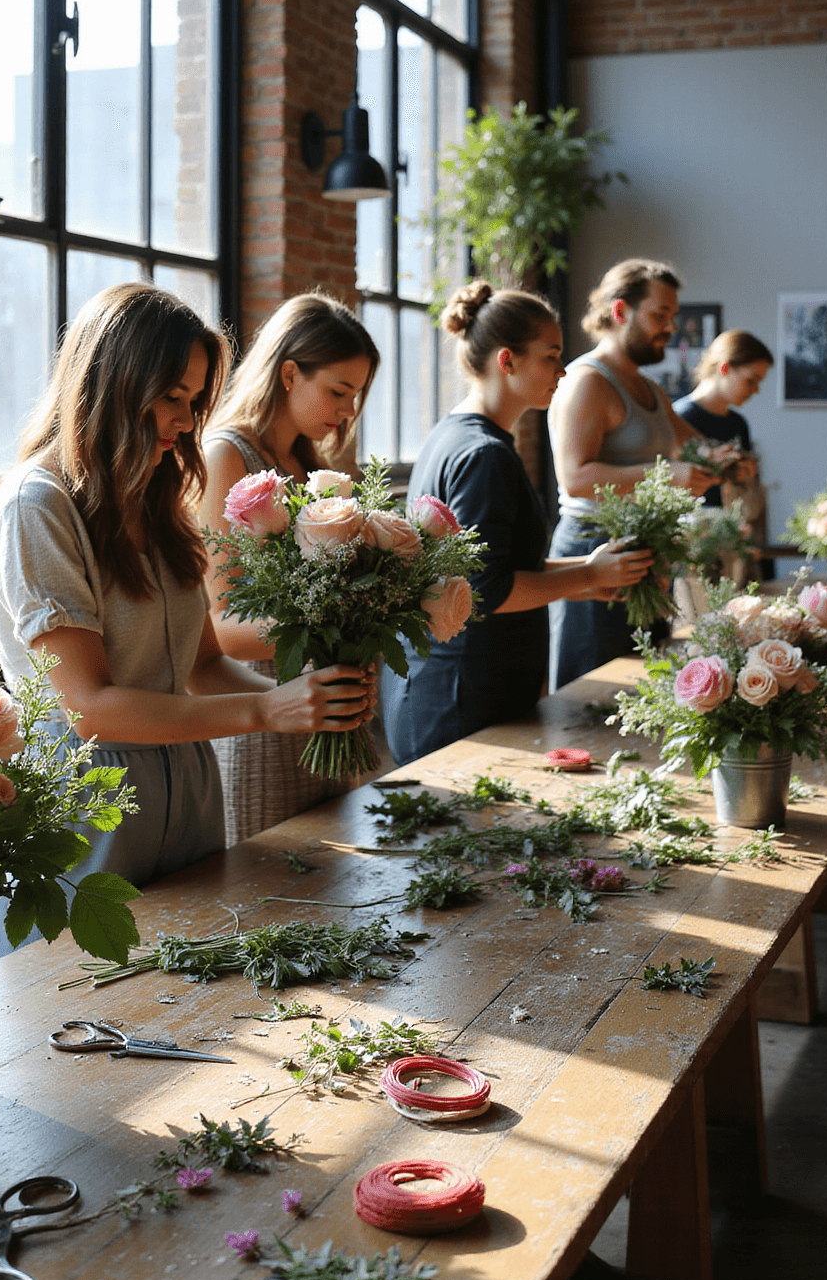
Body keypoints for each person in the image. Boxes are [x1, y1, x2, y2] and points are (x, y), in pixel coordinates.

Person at [0, 283, 373, 952]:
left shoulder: (154, 495)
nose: (186, 422)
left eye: (195, 399)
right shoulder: (36, 506)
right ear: (114, 381)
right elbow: (88, 708)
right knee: (80, 1017)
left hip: (191, 804)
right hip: (88, 818)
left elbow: (203, 664)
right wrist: (270, 713)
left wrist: (304, 704)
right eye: (172, 397)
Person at [380, 282, 654, 768]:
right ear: (507, 361)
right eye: (551, 357)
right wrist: (588, 576)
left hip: (451, 690)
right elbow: (485, 589)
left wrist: (587, 574)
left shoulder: (453, 434)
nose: (563, 371)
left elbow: (494, 566)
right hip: (459, 700)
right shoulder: (484, 455)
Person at [200, 292, 380, 844]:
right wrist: (325, 631)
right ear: (288, 374)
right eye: (338, 392)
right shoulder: (224, 455)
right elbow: (218, 626)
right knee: (271, 902)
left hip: (326, 707)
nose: (348, 412)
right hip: (261, 713)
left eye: (357, 397)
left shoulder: (313, 467)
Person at [548, 258, 719, 690]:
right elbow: (575, 477)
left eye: (672, 316)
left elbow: (696, 447)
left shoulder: (650, 388)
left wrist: (728, 459)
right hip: (594, 548)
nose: (671, 327)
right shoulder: (588, 381)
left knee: (647, 686)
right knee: (591, 693)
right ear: (621, 311)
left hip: (645, 552)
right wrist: (666, 475)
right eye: (660, 315)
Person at [673, 329, 772, 508]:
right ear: (724, 368)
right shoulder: (680, 417)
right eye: (751, 380)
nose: (756, 390)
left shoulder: (738, 424)